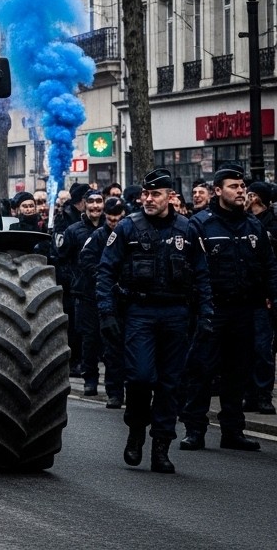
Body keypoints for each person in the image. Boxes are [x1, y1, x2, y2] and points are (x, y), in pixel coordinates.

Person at [94, 168, 212, 474]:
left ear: (169, 197)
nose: (148, 199)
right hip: (139, 313)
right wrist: (106, 312)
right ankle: (136, 429)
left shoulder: (187, 230)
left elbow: (202, 276)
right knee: (141, 377)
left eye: (155, 194)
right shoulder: (127, 228)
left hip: (176, 315)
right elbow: (105, 272)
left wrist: (206, 316)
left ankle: (161, 446)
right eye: (145, 194)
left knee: (170, 384)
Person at [176, 163, 275, 452]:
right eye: (234, 186)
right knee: (202, 370)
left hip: (245, 309)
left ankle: (233, 430)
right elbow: (188, 268)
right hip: (211, 310)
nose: (241, 190)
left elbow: (268, 266)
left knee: (238, 372)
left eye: (242, 186)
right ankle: (194, 430)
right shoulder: (200, 224)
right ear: (217, 191)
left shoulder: (253, 225)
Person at [78, 197, 130, 408]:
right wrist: (102, 276)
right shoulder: (99, 236)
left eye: (118, 219)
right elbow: (86, 259)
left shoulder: (131, 232)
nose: (114, 223)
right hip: (101, 296)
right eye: (110, 219)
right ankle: (114, 391)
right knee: (109, 347)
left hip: (126, 297)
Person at [57, 189, 106, 392]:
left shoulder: (112, 229)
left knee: (109, 338)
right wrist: (74, 278)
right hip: (84, 293)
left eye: (99, 201)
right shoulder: (73, 230)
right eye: (91, 201)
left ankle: (113, 384)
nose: (95, 206)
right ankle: (90, 380)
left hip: (108, 292)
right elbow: (62, 258)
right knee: (89, 338)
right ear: (84, 204)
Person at [245, 180, 277, 414]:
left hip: (262, 297)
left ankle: (264, 394)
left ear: (255, 197)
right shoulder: (243, 222)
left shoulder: (272, 225)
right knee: (244, 349)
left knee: (263, 349)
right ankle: (250, 394)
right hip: (243, 294)